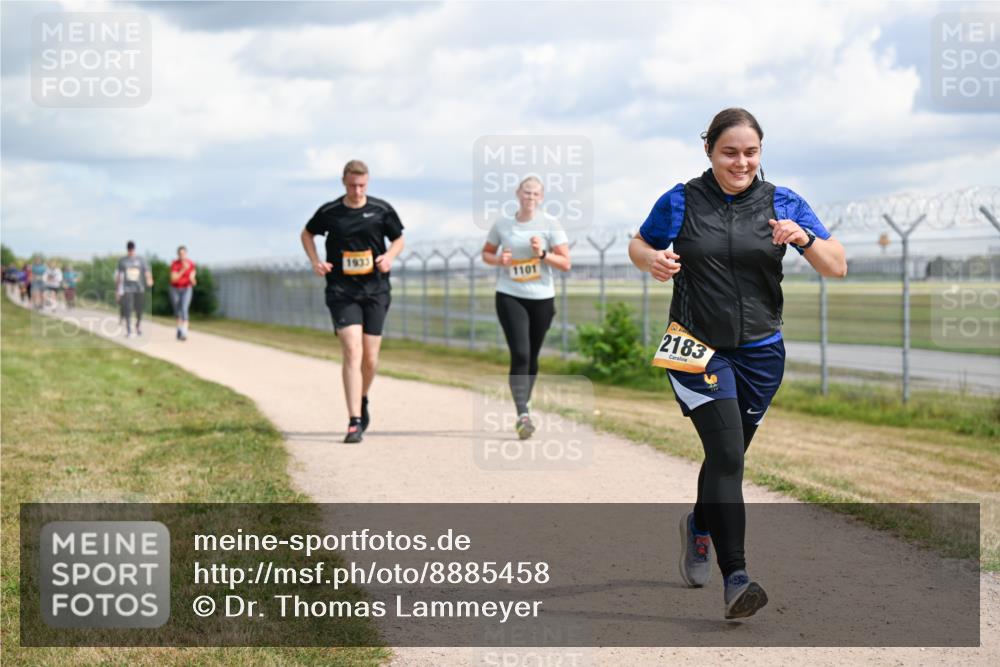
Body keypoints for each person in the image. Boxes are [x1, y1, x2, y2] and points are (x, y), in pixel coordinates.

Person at [628, 108, 846, 620]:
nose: (741, 162)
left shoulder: (782, 202)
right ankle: (738, 578)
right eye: (730, 152)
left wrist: (804, 238)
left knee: (727, 456)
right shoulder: (681, 199)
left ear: (761, 153)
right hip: (694, 345)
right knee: (727, 454)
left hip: (761, 353)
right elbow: (640, 242)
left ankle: (699, 525)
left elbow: (837, 264)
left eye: (751, 152)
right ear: (709, 150)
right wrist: (651, 260)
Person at [300, 160, 405, 443]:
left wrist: (390, 257)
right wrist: (315, 261)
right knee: (352, 350)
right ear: (343, 183)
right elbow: (307, 233)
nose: (357, 191)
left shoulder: (381, 210)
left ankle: (362, 396)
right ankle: (354, 421)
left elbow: (398, 239)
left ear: (367, 183)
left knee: (370, 359)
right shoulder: (330, 212)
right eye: (352, 185)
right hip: (341, 290)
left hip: (375, 290)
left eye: (362, 185)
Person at [481, 176, 572, 439]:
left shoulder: (550, 224)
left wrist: (542, 254)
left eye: (535, 194)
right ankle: (523, 413)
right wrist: (500, 260)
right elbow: (486, 254)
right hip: (510, 294)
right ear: (517, 194)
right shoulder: (503, 224)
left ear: (541, 198)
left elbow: (565, 263)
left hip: (542, 297)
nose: (530, 197)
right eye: (526, 193)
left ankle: (525, 402)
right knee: (520, 353)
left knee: (532, 356)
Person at [116, 241, 153, 337]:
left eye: (132, 249)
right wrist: (118, 291)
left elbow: (147, 271)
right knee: (128, 308)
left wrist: (149, 279)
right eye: (129, 249)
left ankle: (138, 325)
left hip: (139, 288)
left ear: (134, 249)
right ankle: (129, 330)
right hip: (127, 288)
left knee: (139, 310)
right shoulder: (123, 261)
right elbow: (119, 276)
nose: (131, 251)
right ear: (127, 249)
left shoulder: (141, 260)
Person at [169, 246, 197, 341]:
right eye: (180, 254)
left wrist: (192, 279)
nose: (182, 256)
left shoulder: (191, 264)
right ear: (178, 254)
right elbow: (173, 278)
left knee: (184, 308)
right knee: (178, 310)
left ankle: (184, 332)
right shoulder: (174, 264)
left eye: (183, 254)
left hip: (186, 289)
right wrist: (183, 269)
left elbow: (193, 278)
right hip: (175, 289)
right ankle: (179, 329)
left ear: (186, 254)